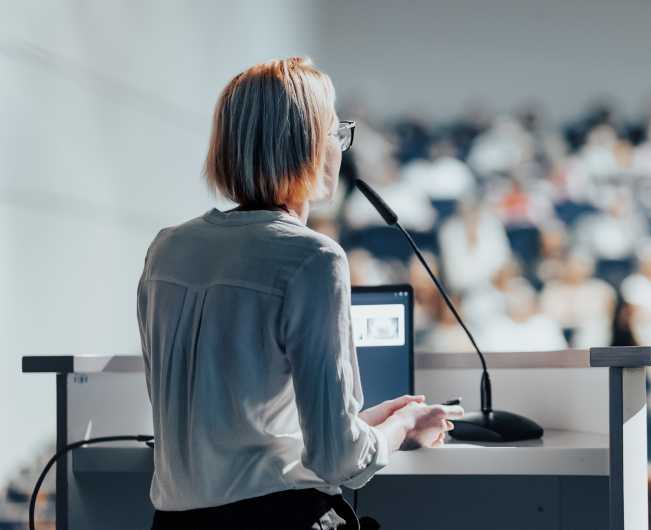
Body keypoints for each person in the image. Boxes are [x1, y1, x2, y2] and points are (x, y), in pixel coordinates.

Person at [137, 58, 463, 530]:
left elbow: (235, 435)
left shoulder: (166, 250)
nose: (340, 147)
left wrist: (365, 422)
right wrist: (403, 427)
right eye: (336, 132)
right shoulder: (313, 259)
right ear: (307, 145)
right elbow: (340, 462)